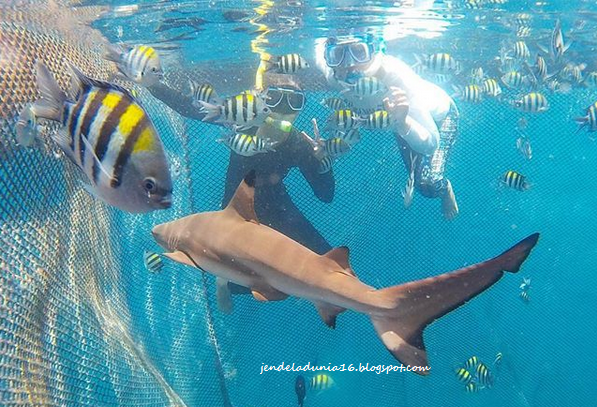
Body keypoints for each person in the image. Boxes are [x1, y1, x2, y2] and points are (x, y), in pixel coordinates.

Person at [146, 71, 335, 311]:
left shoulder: (298, 143)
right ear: (263, 100)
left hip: (279, 208)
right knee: (242, 278)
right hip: (238, 211)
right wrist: (152, 84)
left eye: (295, 101)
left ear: (301, 108)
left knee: (329, 264)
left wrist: (323, 163)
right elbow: (191, 108)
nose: (284, 109)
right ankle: (223, 281)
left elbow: (325, 195)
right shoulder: (242, 123)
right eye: (276, 98)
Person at [315, 33, 459, 220]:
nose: (349, 64)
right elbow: (317, 49)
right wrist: (329, 148)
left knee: (429, 185)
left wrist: (404, 121)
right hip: (399, 122)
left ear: (375, 51)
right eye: (338, 54)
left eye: (359, 52)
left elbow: (431, 144)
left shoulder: (397, 79)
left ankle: (444, 187)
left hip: (439, 118)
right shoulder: (333, 75)